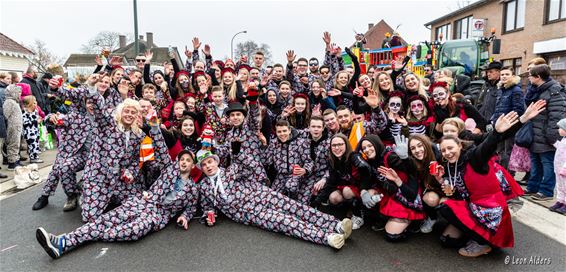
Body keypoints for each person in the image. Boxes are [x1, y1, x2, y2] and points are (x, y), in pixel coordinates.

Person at [35, 122, 199, 259]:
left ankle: (88, 235)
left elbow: (191, 207)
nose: (184, 162)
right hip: (143, 201)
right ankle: (63, 242)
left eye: (188, 160)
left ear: (192, 166)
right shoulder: (169, 169)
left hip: (158, 214)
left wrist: (185, 216)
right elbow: (162, 150)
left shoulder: (192, 189)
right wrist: (155, 128)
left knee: (134, 231)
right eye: (181, 159)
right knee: (104, 220)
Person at [431, 106, 543, 257]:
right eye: (444, 150)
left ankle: (484, 243)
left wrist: (502, 129)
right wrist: (441, 181)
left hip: (489, 208)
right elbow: (456, 194)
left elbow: (489, 144)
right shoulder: (449, 166)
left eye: (450, 148)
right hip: (471, 205)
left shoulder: (474, 157)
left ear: (459, 145)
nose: (447, 153)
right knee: (447, 240)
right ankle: (474, 235)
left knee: (446, 208)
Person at [197, 147, 353, 249]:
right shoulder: (203, 186)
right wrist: (209, 216)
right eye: (204, 165)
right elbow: (207, 206)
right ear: (202, 168)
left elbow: (252, 167)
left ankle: (336, 225)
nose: (208, 166)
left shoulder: (231, 170)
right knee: (284, 222)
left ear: (216, 162)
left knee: (297, 208)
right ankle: (327, 237)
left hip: (262, 194)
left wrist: (239, 154)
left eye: (210, 162)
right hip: (249, 212)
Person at [80, 86, 145, 222]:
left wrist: (130, 172)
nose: (129, 115)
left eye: (133, 112)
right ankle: (87, 195)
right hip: (99, 178)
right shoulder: (107, 126)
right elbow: (99, 111)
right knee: (89, 218)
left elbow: (138, 160)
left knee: (137, 208)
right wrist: (93, 90)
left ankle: (110, 199)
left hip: (119, 180)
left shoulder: (139, 135)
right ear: (120, 113)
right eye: (126, 111)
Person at [32, 83, 96, 211]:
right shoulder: (76, 116)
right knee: (63, 167)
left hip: (99, 156)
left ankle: (88, 190)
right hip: (77, 153)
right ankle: (71, 195)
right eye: (88, 103)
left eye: (94, 103)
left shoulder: (104, 117)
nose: (92, 106)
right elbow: (57, 119)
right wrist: (51, 118)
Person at [525, 64, 566, 201]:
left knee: (547, 163)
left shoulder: (554, 91)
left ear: (538, 77)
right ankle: (533, 187)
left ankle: (546, 191)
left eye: (530, 76)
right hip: (535, 132)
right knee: (535, 162)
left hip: (546, 134)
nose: (528, 78)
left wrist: (551, 135)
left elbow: (556, 115)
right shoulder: (537, 89)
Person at [491, 67, 525, 169]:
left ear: (513, 76)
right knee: (500, 150)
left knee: (508, 151)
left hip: (510, 125)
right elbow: (498, 108)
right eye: (502, 75)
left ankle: (508, 175)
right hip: (499, 125)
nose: (504, 76)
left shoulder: (516, 90)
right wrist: (493, 120)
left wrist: (509, 123)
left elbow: (518, 109)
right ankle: (500, 172)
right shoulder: (501, 90)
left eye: (507, 74)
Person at [3, 85, 22, 170]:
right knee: (13, 143)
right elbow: (6, 114)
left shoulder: (14, 102)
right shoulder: (9, 102)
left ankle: (16, 159)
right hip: (12, 127)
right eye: (18, 92)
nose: (19, 94)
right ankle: (12, 162)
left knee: (16, 143)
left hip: (16, 127)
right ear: (12, 92)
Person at [550, 118, 566, 214]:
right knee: (559, 186)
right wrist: (554, 143)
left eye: (561, 128)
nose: (558, 130)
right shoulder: (563, 139)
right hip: (558, 167)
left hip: (564, 168)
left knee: (565, 186)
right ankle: (560, 201)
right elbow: (561, 148)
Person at [21, 96, 43, 164]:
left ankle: (35, 156)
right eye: (34, 103)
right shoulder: (25, 112)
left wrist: (39, 119)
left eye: (35, 102)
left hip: (35, 131)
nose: (36, 104)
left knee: (36, 144)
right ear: (28, 104)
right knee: (32, 145)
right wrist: (36, 121)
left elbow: (36, 118)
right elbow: (25, 122)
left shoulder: (35, 111)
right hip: (29, 132)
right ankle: (33, 158)